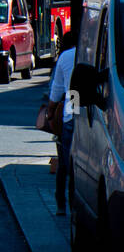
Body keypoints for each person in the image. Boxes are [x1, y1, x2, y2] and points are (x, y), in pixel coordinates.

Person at [49, 32, 77, 215]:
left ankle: (60, 204)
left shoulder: (66, 57)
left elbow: (58, 89)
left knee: (64, 163)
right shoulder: (93, 54)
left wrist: (50, 113)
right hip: (80, 103)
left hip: (70, 107)